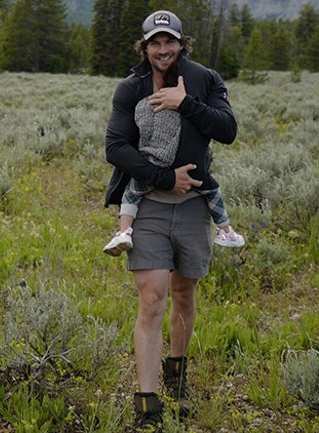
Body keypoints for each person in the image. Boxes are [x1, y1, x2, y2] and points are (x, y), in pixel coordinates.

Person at [103, 11, 238, 432]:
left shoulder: (204, 80)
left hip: (196, 204)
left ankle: (176, 374)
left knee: (184, 292)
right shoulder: (131, 88)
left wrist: (186, 104)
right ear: (144, 47)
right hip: (150, 205)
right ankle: (148, 404)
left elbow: (228, 129)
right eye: (155, 43)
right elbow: (115, 147)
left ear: (182, 44)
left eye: (171, 42)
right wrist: (164, 177)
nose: (163, 50)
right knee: (152, 296)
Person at [102, 79, 245, 257]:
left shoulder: (142, 105)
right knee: (212, 191)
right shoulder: (181, 106)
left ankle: (124, 232)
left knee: (131, 194)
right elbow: (114, 148)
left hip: (149, 164)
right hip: (185, 171)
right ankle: (225, 230)